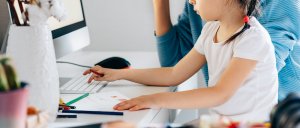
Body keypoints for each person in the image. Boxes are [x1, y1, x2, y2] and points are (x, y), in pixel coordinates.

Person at [84, 0, 278, 121]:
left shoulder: (253, 39)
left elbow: (220, 94)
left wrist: (154, 100)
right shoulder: (211, 29)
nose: (191, 1)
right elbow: (174, 73)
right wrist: (119, 74)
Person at [153, 0, 300, 101]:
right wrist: (160, 3)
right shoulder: (201, 6)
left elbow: (243, 81)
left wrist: (156, 100)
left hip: (281, 115)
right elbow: (173, 63)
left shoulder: (280, 5)